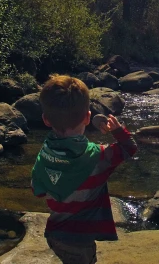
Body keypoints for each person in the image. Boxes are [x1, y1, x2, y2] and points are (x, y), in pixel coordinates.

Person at [31, 74, 137, 264]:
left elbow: (37, 191)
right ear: (88, 117)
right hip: (81, 240)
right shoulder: (99, 157)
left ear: (46, 120)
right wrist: (117, 130)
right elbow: (129, 148)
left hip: (55, 234)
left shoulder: (44, 153)